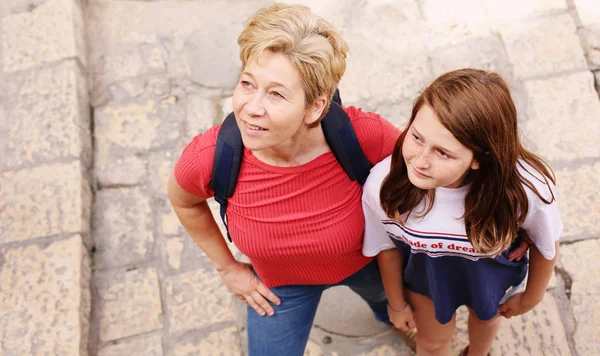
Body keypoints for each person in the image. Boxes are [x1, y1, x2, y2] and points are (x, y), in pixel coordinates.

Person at [167, 4, 402, 356]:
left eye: (276, 93)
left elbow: (423, 177)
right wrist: (228, 268)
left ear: (315, 107)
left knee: (390, 307)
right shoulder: (210, 157)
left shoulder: (366, 136)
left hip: (367, 266)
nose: (251, 108)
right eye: (247, 84)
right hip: (280, 288)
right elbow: (184, 200)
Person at [361, 68, 562, 356]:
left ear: (481, 159)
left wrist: (532, 296)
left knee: (486, 325)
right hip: (427, 278)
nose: (420, 160)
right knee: (430, 344)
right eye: (416, 137)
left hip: (490, 278)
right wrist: (396, 302)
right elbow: (386, 248)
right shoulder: (383, 185)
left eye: (443, 152)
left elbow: (546, 240)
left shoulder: (526, 189)